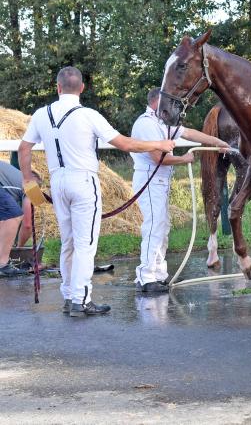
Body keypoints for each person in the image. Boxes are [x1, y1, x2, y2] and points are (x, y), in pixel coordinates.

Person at [18, 66, 177, 317]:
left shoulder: (41, 114)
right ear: (82, 88)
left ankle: (70, 295)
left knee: (68, 242)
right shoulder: (89, 115)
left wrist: (28, 180)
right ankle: (81, 300)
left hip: (57, 181)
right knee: (85, 243)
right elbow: (125, 144)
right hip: (83, 181)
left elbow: (24, 148)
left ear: (58, 87)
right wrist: (159, 144)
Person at [131, 88, 228, 293]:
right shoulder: (146, 124)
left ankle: (157, 274)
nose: (173, 108)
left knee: (162, 227)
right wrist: (184, 160)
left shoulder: (163, 123)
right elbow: (158, 158)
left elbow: (190, 133)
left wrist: (218, 142)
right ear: (157, 102)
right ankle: (146, 277)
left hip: (159, 181)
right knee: (154, 227)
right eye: (170, 103)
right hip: (150, 179)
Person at [0, 160, 33, 277]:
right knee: (14, 214)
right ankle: (2, 265)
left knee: (6, 216)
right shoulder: (33, 186)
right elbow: (27, 224)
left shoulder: (14, 178)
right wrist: (19, 247)